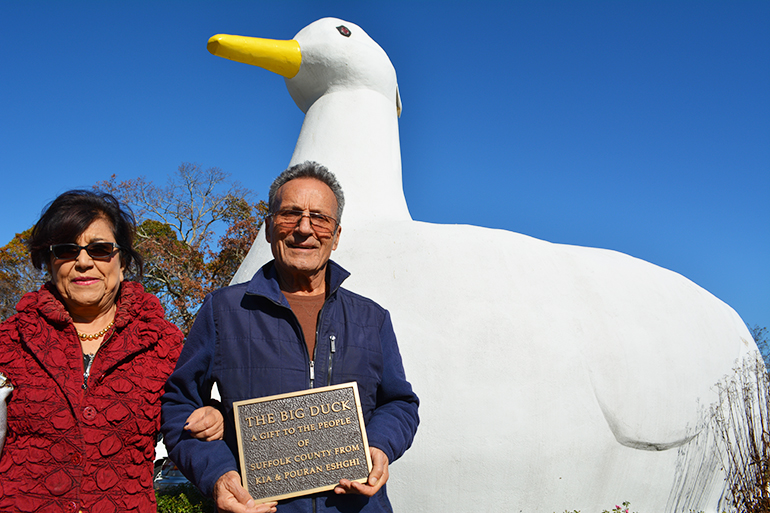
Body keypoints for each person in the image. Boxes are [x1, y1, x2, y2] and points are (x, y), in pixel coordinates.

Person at [161, 161, 419, 513]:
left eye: (320, 218)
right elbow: (179, 406)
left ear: (337, 235)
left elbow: (399, 403)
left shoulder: (371, 319)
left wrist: (379, 445)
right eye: (290, 214)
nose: (304, 229)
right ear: (268, 228)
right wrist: (218, 474)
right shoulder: (223, 311)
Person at [0, 190, 222, 512]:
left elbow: (189, 410)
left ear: (123, 262)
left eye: (100, 249)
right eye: (66, 250)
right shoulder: (10, 341)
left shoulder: (165, 344)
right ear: (48, 262)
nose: (84, 262)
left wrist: (215, 415)